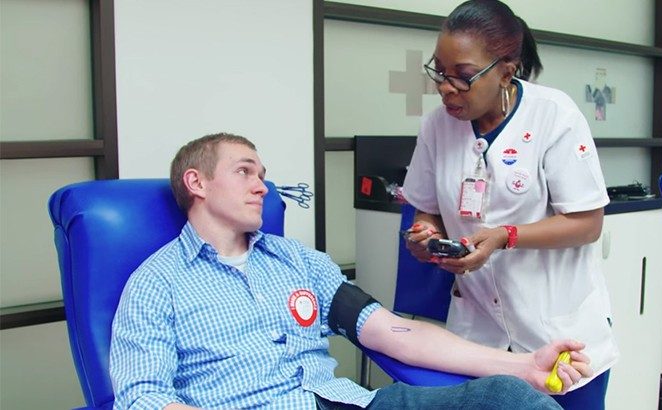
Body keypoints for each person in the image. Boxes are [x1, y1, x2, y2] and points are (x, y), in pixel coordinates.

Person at [109, 132, 592, 409]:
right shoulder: (158, 283)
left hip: (352, 403)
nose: (263, 186)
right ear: (197, 182)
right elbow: (142, 396)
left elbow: (396, 333)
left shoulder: (298, 262)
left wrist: (523, 365)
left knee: (506, 398)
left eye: (262, 174)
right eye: (244, 172)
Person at [401, 1, 619, 409]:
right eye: (439, 72)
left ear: (506, 69)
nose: (447, 87)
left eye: (463, 77)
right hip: (478, 338)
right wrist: (426, 235)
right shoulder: (436, 126)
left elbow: (587, 223)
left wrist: (505, 236)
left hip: (559, 335)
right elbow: (426, 209)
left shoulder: (554, 116)